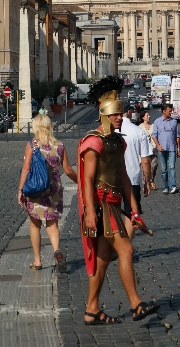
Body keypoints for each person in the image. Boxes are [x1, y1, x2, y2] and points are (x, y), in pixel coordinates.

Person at [78, 77, 159, 324]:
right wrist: (90, 212)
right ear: (104, 113)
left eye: (121, 113)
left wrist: (133, 209)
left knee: (103, 260)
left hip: (113, 204)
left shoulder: (118, 141)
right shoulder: (93, 142)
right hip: (101, 206)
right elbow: (88, 181)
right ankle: (135, 304)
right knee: (126, 249)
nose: (120, 117)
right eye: (115, 114)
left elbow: (123, 175)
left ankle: (91, 309)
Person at [18, 114, 77, 272]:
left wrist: (20, 190)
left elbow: (26, 169)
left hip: (36, 189)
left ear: (36, 127)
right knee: (52, 223)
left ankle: (37, 261)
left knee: (35, 224)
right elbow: (68, 170)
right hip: (54, 189)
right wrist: (80, 182)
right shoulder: (59, 145)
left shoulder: (32, 145)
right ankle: (56, 250)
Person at [118, 104, 152, 240]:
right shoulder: (138, 131)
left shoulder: (108, 130)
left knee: (112, 213)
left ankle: (115, 245)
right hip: (132, 177)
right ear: (129, 112)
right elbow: (145, 161)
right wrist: (147, 181)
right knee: (132, 213)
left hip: (111, 178)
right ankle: (126, 246)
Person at [152, 103, 180, 194]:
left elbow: (177, 136)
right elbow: (154, 135)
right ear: (164, 111)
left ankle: (173, 186)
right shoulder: (157, 122)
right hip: (162, 149)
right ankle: (165, 186)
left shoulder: (174, 122)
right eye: (169, 111)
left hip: (172, 148)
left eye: (171, 110)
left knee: (171, 167)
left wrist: (179, 148)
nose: (171, 112)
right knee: (163, 169)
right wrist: (158, 145)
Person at [139, 109, 158, 190]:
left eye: (149, 115)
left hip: (153, 149)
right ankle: (145, 183)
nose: (149, 116)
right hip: (144, 151)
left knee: (154, 166)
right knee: (144, 167)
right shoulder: (139, 127)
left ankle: (151, 181)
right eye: (147, 115)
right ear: (143, 117)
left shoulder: (153, 126)